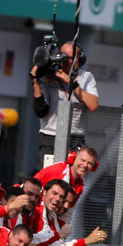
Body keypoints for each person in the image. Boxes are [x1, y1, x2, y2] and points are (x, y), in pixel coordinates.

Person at [31, 41, 99, 169]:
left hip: (75, 137)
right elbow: (41, 111)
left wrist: (72, 84)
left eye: (72, 58)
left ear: (80, 59)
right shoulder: (49, 76)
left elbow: (93, 105)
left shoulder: (86, 77)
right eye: (64, 56)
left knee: (72, 178)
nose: (68, 61)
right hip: (51, 137)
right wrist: (36, 84)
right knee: (51, 178)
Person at [29, 179, 90, 246]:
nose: (58, 199)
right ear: (44, 192)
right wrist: (86, 242)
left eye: (61, 197)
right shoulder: (38, 210)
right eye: (55, 193)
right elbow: (51, 244)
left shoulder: (52, 216)